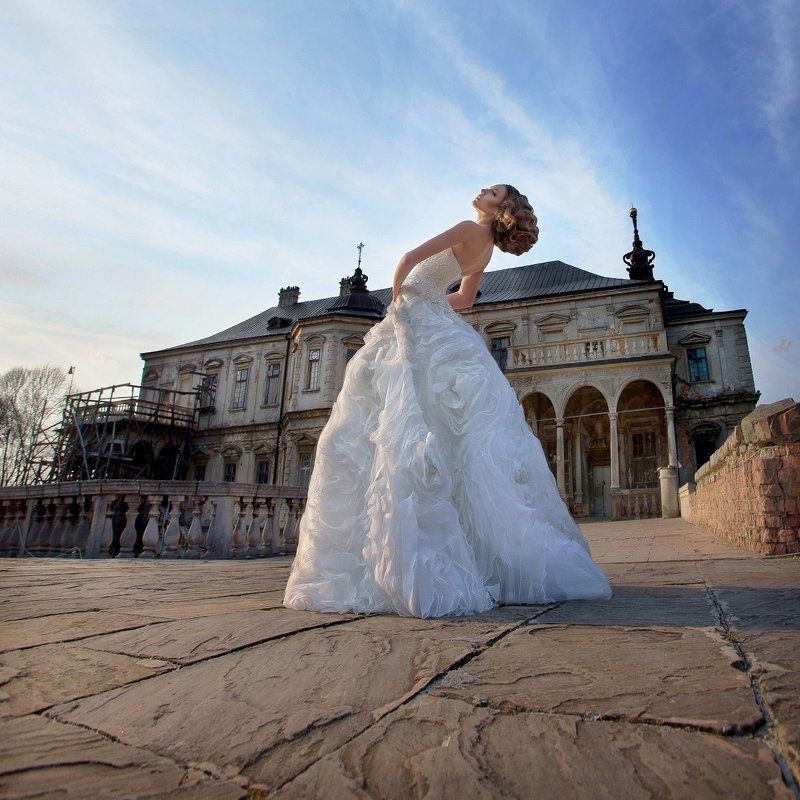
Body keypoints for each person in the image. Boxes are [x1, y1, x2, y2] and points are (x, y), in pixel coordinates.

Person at [282, 184, 612, 618]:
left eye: (492, 191)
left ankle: (397, 554)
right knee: (448, 427)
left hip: (417, 314)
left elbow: (407, 259)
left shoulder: (465, 228)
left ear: (501, 208)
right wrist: (432, 302)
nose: (482, 190)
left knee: (396, 417)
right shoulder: (485, 252)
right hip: (439, 319)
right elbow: (465, 299)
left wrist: (399, 302)